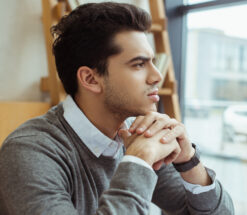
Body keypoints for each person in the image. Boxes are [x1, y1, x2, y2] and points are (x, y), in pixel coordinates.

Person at [0, 2, 234, 215]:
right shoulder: (29, 151)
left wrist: (188, 161)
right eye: (139, 64)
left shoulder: (138, 133)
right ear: (90, 79)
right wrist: (138, 162)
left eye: (153, 62)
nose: (157, 76)